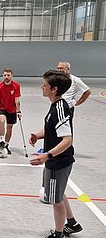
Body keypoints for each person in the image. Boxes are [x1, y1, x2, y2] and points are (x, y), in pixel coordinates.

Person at [29, 70, 82, 238]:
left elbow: (67, 140)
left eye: (44, 85)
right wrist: (38, 135)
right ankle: (72, 223)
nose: (41, 87)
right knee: (58, 192)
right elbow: (52, 129)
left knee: (55, 200)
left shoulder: (60, 109)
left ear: (54, 89)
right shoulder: (56, 106)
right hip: (58, 161)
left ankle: (58, 234)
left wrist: (47, 155)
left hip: (57, 163)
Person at [0, 68, 21, 154]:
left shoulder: (16, 86)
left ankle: (6, 145)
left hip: (12, 109)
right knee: (2, 121)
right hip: (2, 108)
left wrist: (18, 111)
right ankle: (2, 141)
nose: (6, 77)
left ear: (12, 76)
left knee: (9, 127)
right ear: (2, 76)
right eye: (5, 75)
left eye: (8, 75)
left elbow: (17, 100)